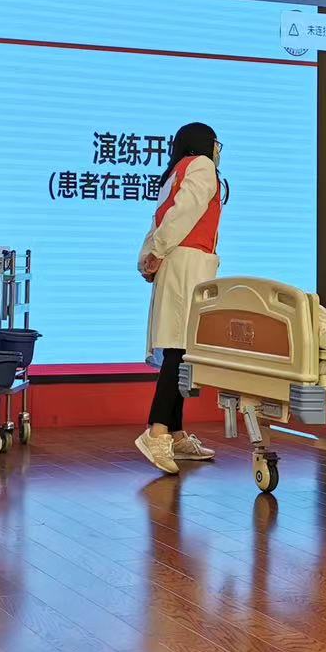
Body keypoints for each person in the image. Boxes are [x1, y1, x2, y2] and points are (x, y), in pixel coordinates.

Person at [135, 122, 223, 474]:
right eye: (215, 143)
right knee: (179, 348)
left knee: (179, 348)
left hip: (177, 261)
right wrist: (156, 251)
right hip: (187, 263)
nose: (218, 151)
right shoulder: (201, 165)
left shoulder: (174, 172)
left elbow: (161, 220)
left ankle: (174, 432)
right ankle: (157, 431)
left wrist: (149, 255)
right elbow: (183, 213)